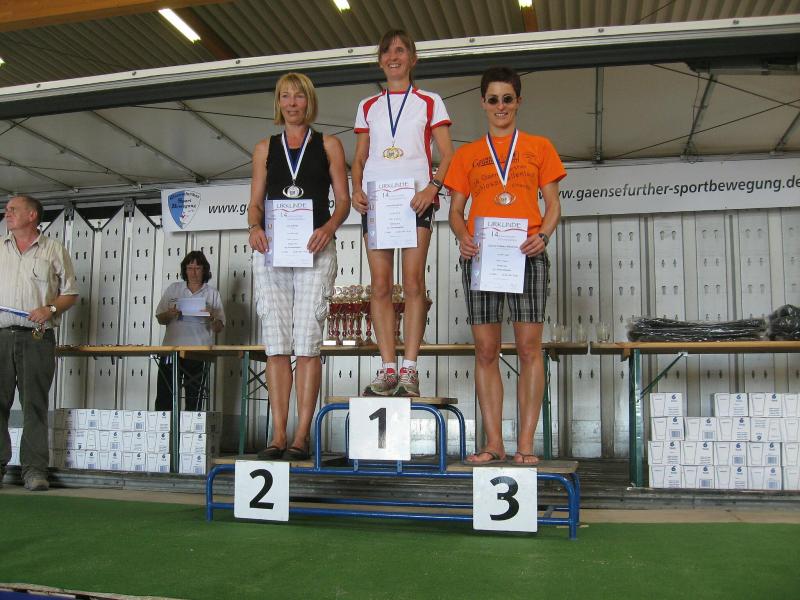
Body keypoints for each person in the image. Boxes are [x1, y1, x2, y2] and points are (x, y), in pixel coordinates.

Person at [445, 67, 566, 465]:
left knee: (530, 349)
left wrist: (543, 236)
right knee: (485, 350)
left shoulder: (540, 147)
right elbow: (455, 211)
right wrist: (463, 236)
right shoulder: (466, 154)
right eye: (493, 99)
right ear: (483, 103)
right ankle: (493, 442)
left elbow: (554, 206)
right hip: (482, 256)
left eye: (507, 99)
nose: (501, 106)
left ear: (518, 102)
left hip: (527, 253)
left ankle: (525, 444)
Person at [247, 72, 350, 460]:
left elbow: (343, 200)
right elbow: (255, 203)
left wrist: (328, 228)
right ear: (278, 102)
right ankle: (277, 435)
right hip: (273, 251)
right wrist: (254, 228)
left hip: (315, 249)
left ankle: (301, 436)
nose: (292, 103)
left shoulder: (329, 145)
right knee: (276, 344)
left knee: (307, 343)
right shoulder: (264, 148)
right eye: (285, 96)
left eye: (299, 96)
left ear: (309, 101)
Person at [351, 29, 454, 397]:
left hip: (415, 200)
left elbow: (448, 154)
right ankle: (388, 368)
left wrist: (432, 188)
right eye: (386, 51)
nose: (393, 57)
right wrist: (356, 189)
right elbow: (359, 157)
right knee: (380, 285)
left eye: (400, 50)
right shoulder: (368, 105)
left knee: (412, 283)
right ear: (380, 61)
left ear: (413, 58)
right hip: (378, 202)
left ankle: (410, 368)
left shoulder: (430, 101)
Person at [0, 195, 78, 491]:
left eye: (13, 209)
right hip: (1, 336)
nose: (7, 213)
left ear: (32, 215)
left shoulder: (54, 249)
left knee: (34, 404)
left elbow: (70, 293)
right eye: (6, 210)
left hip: (37, 337)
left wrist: (51, 309)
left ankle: (34, 471)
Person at [154, 250, 225, 411]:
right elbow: (160, 318)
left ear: (204, 270)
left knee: (194, 399)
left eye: (198, 268)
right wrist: (170, 314)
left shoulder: (212, 293)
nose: (193, 272)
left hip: (198, 352)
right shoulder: (174, 289)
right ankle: (165, 427)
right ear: (184, 270)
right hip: (171, 350)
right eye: (190, 268)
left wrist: (211, 317)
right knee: (165, 396)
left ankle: (190, 428)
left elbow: (219, 327)